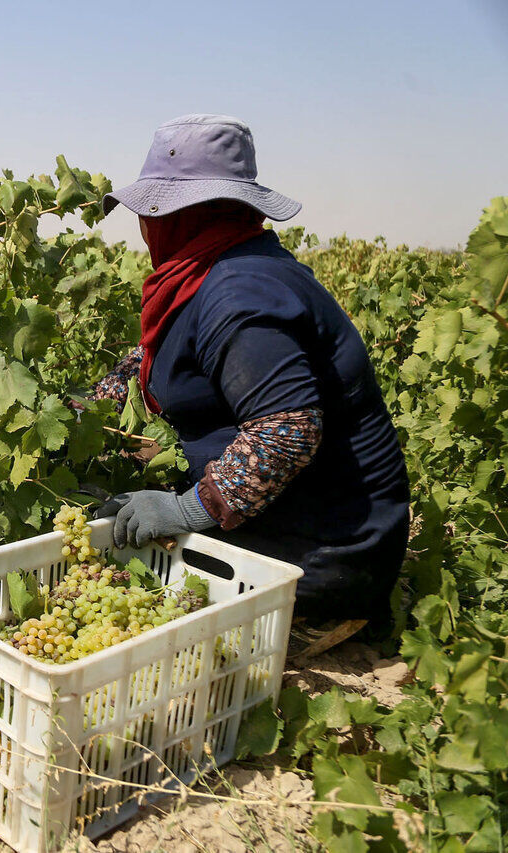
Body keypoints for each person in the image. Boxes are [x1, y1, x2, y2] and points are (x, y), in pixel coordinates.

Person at [89, 114, 410, 626]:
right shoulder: (215, 269)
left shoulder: (239, 293)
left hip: (324, 552)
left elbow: (287, 432)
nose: (145, 224)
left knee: (126, 583)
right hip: (295, 521)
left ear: (188, 216)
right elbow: (160, 355)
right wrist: (85, 410)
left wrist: (185, 510)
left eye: (154, 210)